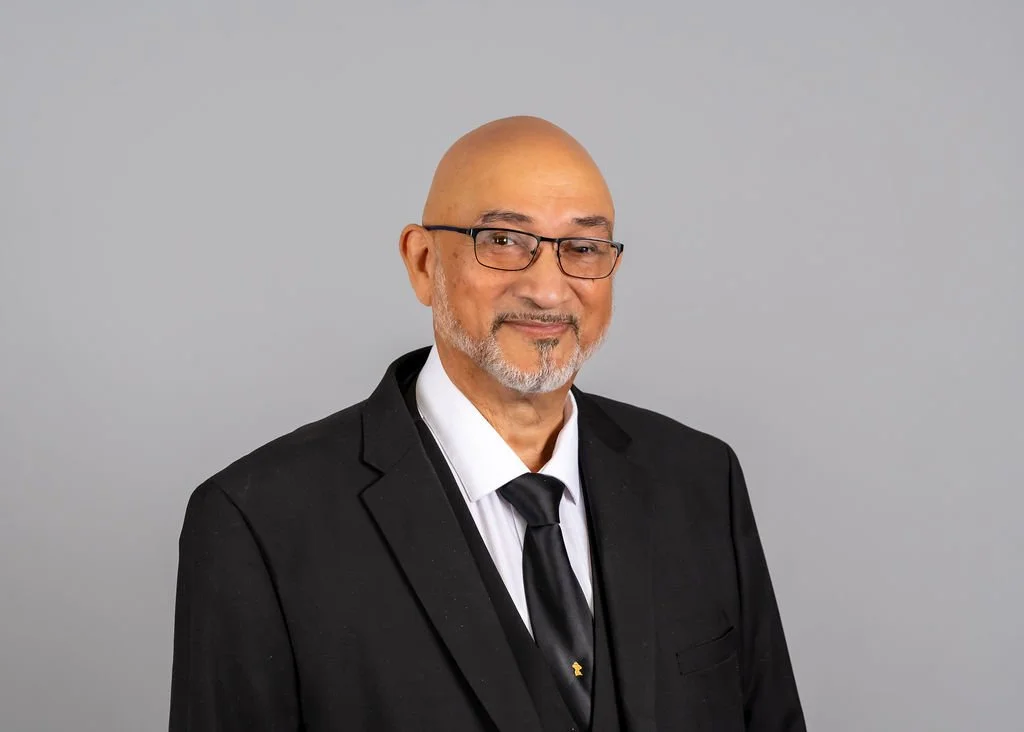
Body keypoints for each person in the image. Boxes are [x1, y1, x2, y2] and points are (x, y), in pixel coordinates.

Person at [169, 116, 806, 732]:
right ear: (422, 263)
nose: (550, 291)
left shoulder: (699, 479)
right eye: (503, 241)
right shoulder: (259, 522)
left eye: (583, 248)